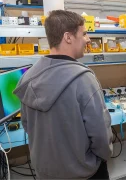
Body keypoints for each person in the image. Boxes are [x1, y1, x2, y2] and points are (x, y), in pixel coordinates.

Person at [13, 10, 113, 179]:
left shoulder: (27, 77)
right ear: (68, 37)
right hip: (84, 174)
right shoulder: (84, 79)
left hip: (46, 173)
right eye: (84, 33)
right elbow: (101, 135)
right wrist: (100, 158)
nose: (88, 39)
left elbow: (27, 125)